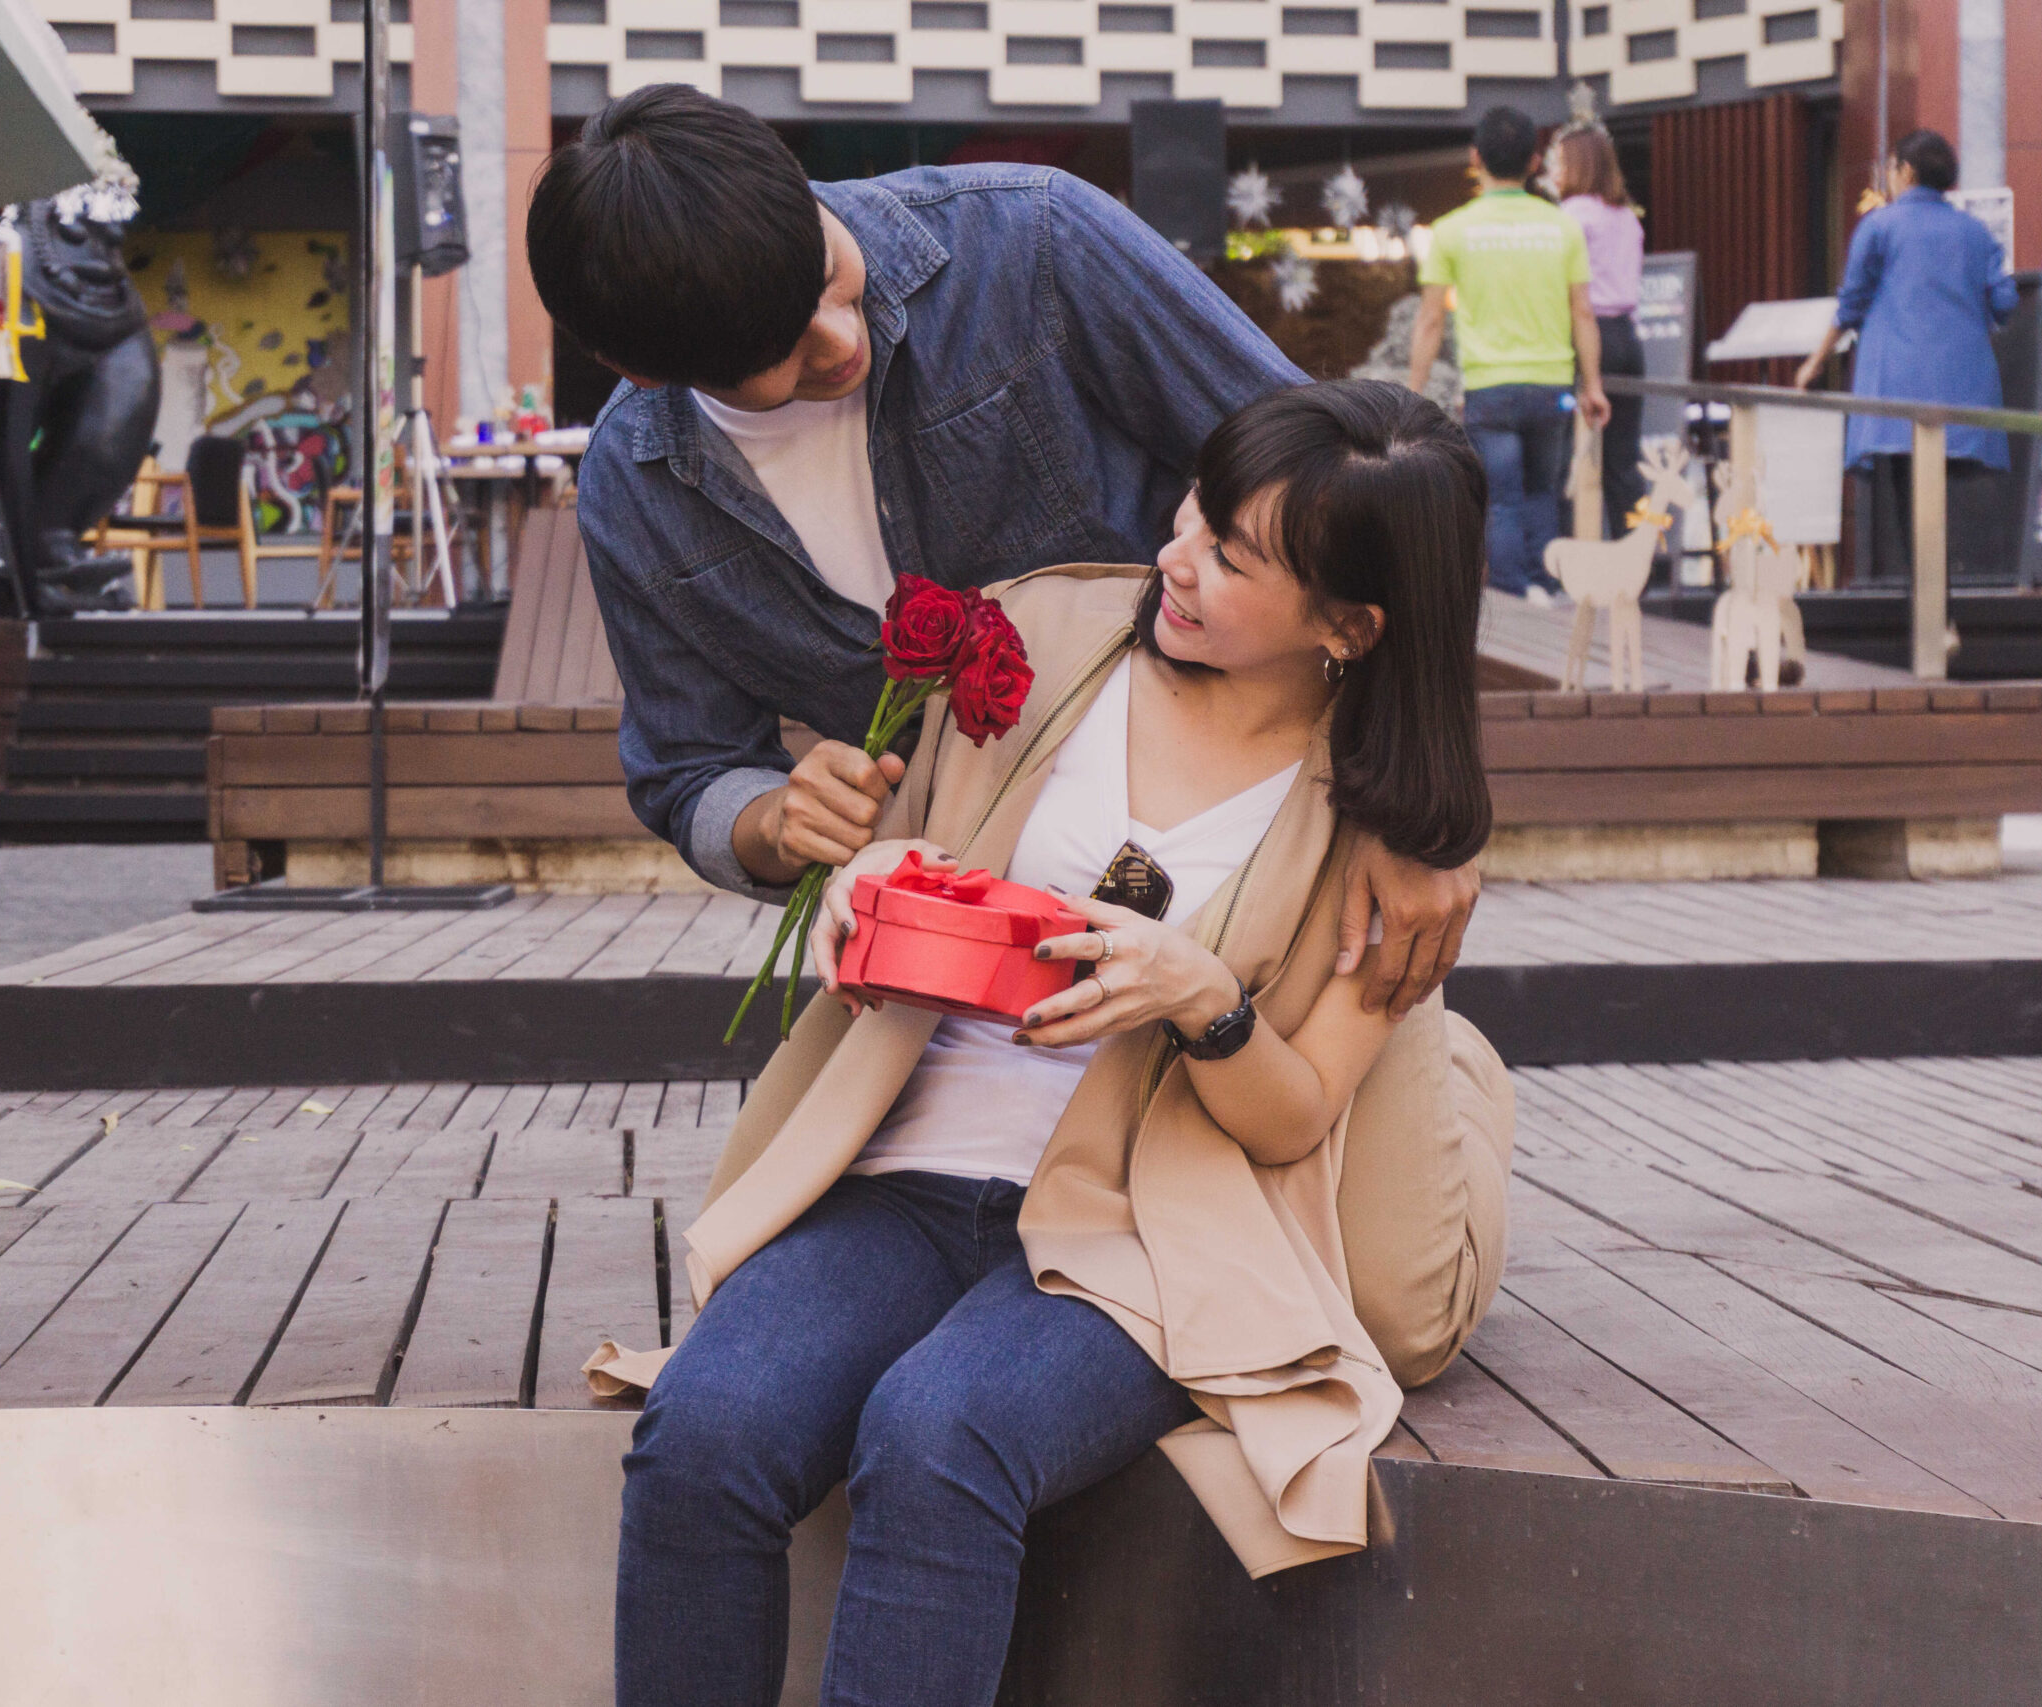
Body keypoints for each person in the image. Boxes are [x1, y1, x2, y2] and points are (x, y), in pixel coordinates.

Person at [590, 381, 1514, 1707]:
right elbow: (892, 855)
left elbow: (1295, 1113)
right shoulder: (1048, 628)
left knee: (939, 1428)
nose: (1178, 562)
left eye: (1234, 557)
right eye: (1193, 513)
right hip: (900, 1173)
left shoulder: (1383, 823)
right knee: (709, 1431)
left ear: (1350, 627)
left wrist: (1197, 993)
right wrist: (867, 883)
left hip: (1134, 1232)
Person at [526, 87, 1480, 1017]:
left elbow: (1364, 508)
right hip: (954, 985)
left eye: (827, 274)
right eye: (783, 352)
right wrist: (775, 820)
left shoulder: (1034, 242)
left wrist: (1421, 821)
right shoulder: (635, 487)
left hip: (1236, 895)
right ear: (642, 372)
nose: (840, 338)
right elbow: (688, 768)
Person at [1793, 128, 2019, 582]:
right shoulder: (1975, 232)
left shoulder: (1880, 226)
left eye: (1891, 168)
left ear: (1906, 171)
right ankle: (1948, 604)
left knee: (1905, 496)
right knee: (1951, 496)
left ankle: (1926, 607)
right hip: (1964, 387)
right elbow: (2005, 302)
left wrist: (1814, 362)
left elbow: (1851, 303)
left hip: (1895, 384)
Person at [1408, 105, 1609, 604]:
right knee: (1543, 492)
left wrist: (1413, 391)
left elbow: (1431, 319)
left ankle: (1511, 598)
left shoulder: (1452, 229)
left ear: (1475, 158)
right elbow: (1583, 312)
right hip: (1551, 385)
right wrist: (1594, 384)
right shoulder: (1562, 227)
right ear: (1536, 161)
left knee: (1500, 501)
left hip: (1489, 387)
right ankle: (1545, 584)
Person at [1552, 126, 1649, 537]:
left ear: (1577, 165)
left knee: (1566, 455)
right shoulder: (1626, 216)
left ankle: (1566, 561)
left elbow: (1564, 287)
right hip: (1628, 338)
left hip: (1588, 337)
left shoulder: (1571, 215)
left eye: (1558, 161)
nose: (1553, 171)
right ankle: (1641, 552)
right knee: (1624, 461)